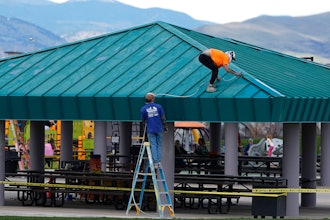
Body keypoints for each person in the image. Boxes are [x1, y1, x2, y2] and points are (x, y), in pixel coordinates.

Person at [141, 93, 167, 168]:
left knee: (153, 145)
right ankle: (158, 161)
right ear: (152, 99)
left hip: (150, 129)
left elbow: (143, 120)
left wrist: (144, 129)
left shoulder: (143, 109)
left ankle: (155, 162)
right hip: (159, 129)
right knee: (159, 145)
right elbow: (163, 118)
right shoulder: (159, 107)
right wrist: (165, 126)